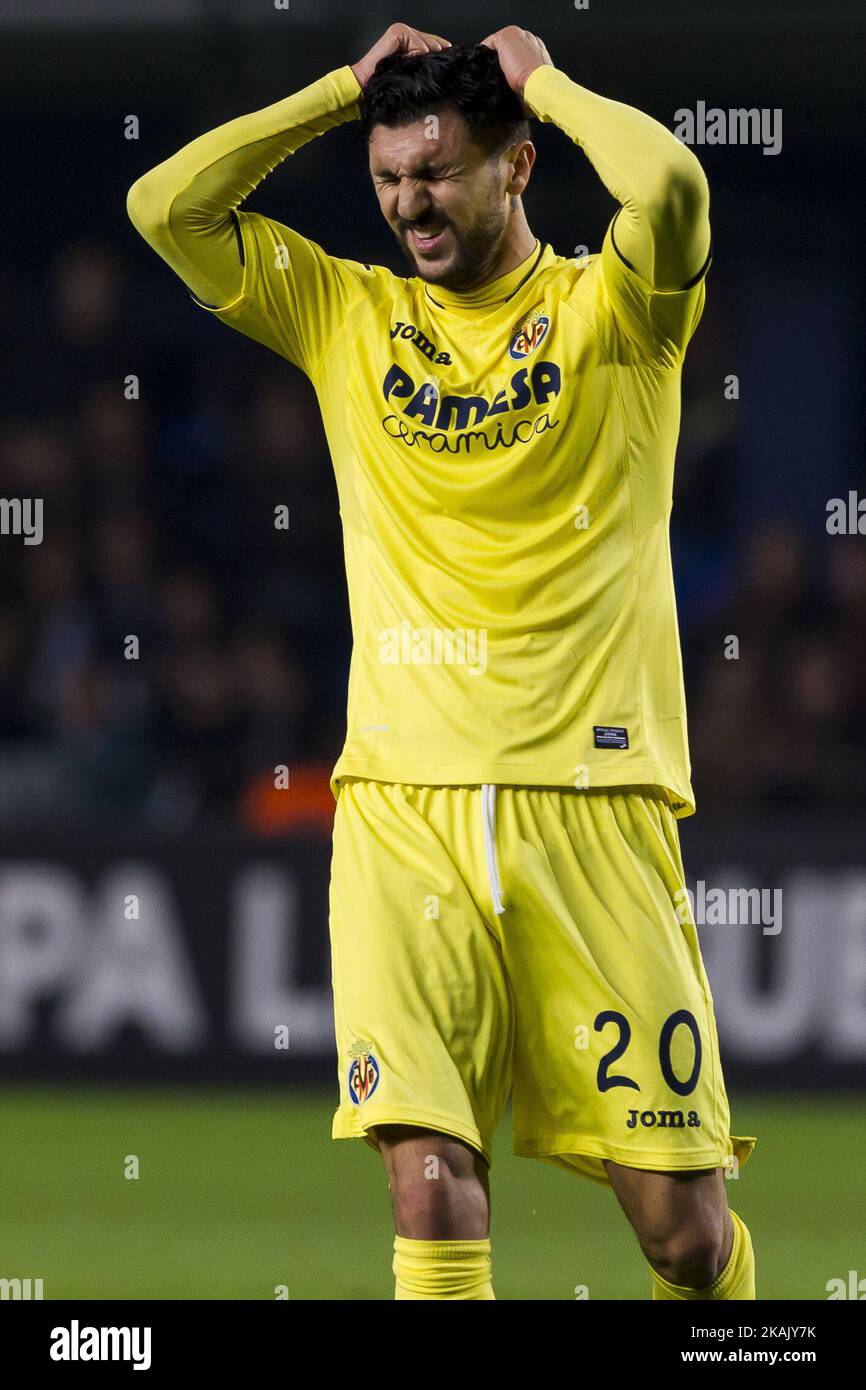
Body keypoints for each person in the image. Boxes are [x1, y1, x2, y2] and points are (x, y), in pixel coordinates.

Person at [127, 22, 756, 1301]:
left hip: (591, 805)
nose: (410, 202)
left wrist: (553, 82)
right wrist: (335, 92)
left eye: (438, 171)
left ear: (515, 167)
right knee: (425, 1177)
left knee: (682, 1236)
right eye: (388, 176)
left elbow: (675, 189)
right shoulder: (347, 315)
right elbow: (165, 207)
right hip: (400, 808)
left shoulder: (618, 311)